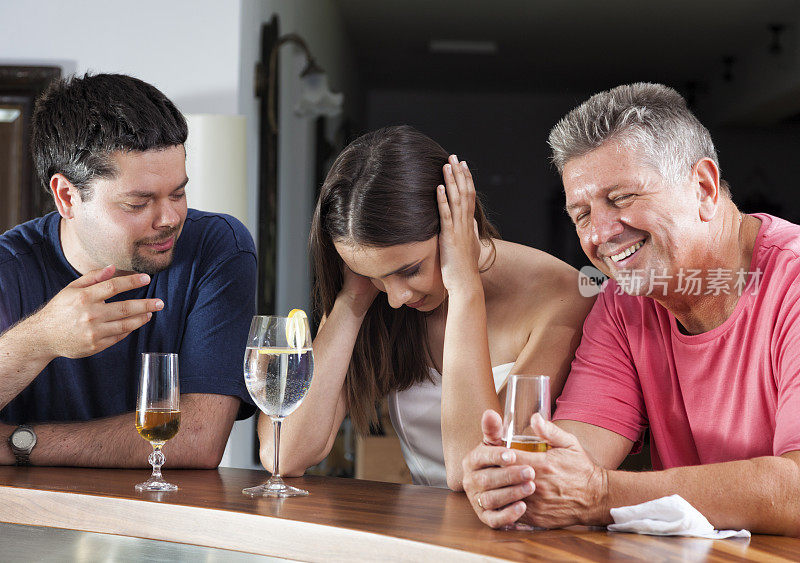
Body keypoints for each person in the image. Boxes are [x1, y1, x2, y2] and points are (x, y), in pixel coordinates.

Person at [461, 83, 800, 536]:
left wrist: (601, 494)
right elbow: (573, 464)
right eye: (581, 215)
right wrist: (517, 480)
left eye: (621, 199)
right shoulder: (623, 304)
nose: (599, 234)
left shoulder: (791, 281)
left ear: (703, 187)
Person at [257, 125, 594, 489]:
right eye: (373, 276)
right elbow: (283, 455)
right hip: (422, 534)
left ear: (455, 224)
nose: (396, 298)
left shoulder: (564, 295)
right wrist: (352, 299)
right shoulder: (377, 293)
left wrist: (465, 290)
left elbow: (477, 473)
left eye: (409, 271)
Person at [0, 73, 257, 468]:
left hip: (158, 519)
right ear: (67, 196)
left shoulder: (218, 248)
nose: (170, 218)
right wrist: (41, 339)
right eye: (139, 204)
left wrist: (21, 443)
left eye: (179, 192)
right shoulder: (8, 268)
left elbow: (198, 440)